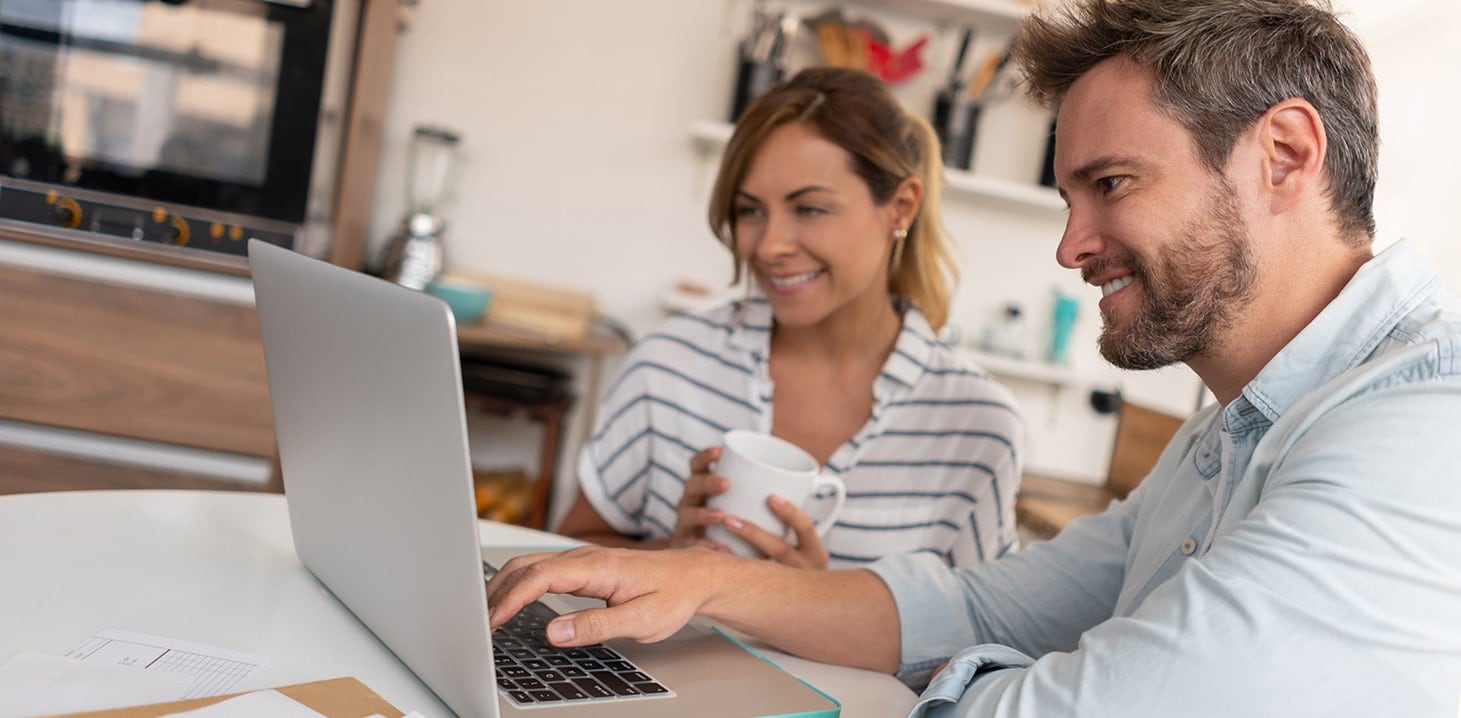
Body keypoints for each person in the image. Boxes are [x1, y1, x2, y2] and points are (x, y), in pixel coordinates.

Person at [488, 0, 1461, 714]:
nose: (1071, 247)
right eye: (1069, 198)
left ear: (1285, 155)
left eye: (1111, 182)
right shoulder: (1229, 435)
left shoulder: (1421, 433)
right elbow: (976, 600)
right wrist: (702, 582)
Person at [556, 67, 1024, 569]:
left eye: (810, 209)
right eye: (750, 211)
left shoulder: (978, 426)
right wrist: (673, 556)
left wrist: (807, 607)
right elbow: (570, 552)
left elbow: (984, 635)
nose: (770, 245)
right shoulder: (667, 365)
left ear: (901, 209)